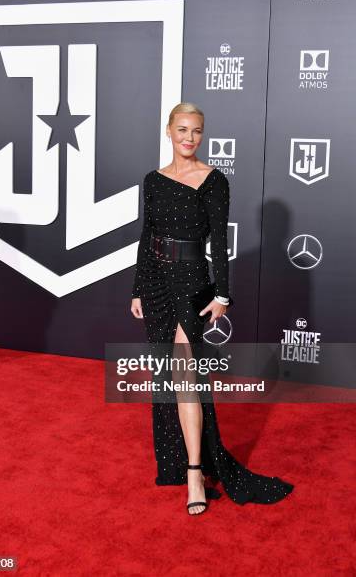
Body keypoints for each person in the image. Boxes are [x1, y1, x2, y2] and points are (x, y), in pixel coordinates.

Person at [130, 102, 294, 515]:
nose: (189, 137)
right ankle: (182, 462)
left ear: (202, 135)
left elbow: (218, 242)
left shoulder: (213, 180)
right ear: (167, 130)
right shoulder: (152, 181)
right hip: (155, 284)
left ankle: (194, 472)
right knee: (166, 375)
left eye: (197, 131)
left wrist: (222, 295)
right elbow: (146, 234)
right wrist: (137, 289)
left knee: (186, 374)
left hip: (191, 281)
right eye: (182, 129)